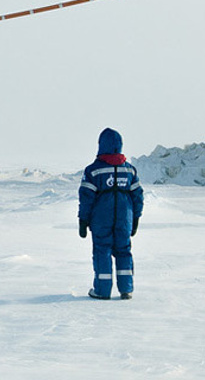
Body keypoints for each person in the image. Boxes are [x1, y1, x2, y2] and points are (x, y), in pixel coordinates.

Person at [77, 126, 143, 300]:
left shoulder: (92, 170)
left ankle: (102, 290)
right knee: (123, 250)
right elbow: (138, 196)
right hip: (124, 219)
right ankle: (126, 289)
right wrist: (136, 217)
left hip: (101, 219)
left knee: (102, 250)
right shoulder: (130, 170)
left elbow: (86, 197)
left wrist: (83, 220)